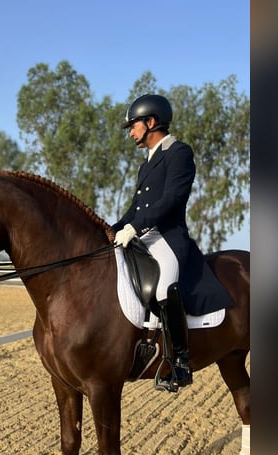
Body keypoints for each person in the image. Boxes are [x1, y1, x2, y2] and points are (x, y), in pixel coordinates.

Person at [112, 94, 232, 388]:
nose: (130, 132)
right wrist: (113, 228)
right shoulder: (146, 164)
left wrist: (135, 227)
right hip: (144, 233)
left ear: (150, 122)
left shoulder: (179, 152)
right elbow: (136, 207)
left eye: (133, 125)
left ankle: (179, 362)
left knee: (165, 284)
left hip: (167, 236)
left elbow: (171, 200)